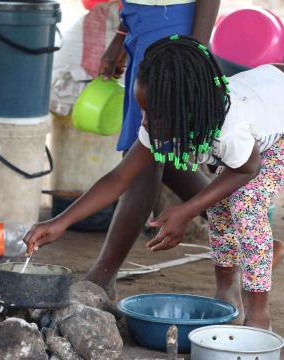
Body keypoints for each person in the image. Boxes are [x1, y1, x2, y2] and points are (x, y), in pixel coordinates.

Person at [24, 35, 284, 329]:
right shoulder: (167, 113)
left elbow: (247, 168)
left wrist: (187, 210)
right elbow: (119, 178)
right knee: (218, 201)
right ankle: (226, 292)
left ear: (186, 109)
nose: (145, 122)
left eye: (152, 114)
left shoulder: (231, 125)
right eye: (143, 110)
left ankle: (259, 314)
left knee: (246, 197)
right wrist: (60, 222)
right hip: (275, 92)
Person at [82, 0, 221, 301]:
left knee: (143, 154)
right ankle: (244, 225)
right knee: (159, 153)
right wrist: (122, 33)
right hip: (141, 20)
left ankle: (103, 276)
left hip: (174, 26)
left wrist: (193, 53)